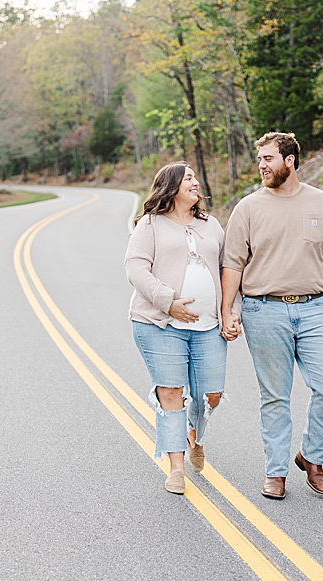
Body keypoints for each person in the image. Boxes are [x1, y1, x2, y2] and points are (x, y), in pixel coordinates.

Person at [220, 132, 323, 500]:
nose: (262, 165)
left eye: (269, 158)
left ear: (290, 161)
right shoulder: (248, 208)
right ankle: (276, 471)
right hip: (263, 309)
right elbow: (232, 264)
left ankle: (312, 457)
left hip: (315, 307)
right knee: (275, 396)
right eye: (260, 159)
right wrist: (227, 309)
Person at [125, 161, 241, 494]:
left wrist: (231, 312)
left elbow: (229, 270)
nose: (195, 182)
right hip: (159, 324)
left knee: (210, 396)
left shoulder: (211, 225)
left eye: (195, 177)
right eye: (188, 178)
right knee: (171, 392)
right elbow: (135, 268)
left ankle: (193, 433)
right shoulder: (150, 225)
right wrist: (168, 300)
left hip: (208, 327)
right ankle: (176, 468)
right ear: (171, 186)